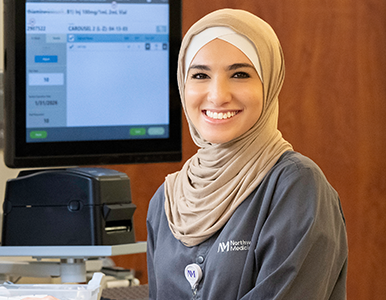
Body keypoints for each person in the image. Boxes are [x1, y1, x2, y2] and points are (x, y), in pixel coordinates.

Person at [145, 8, 348, 299]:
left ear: (270, 83)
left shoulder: (297, 186)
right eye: (200, 75)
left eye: (240, 74)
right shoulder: (167, 201)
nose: (217, 95)